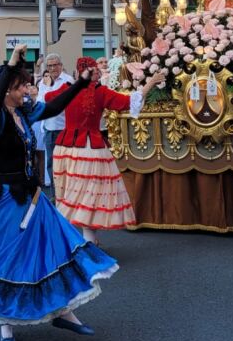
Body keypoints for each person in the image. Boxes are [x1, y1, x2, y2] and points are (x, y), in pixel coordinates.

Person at [0, 45, 117, 341]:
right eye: (20, 86)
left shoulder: (24, 112)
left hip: (31, 197)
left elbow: (55, 107)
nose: (27, 90)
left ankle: (63, 311)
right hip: (2, 200)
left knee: (54, 248)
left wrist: (82, 82)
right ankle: (5, 323)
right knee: (5, 260)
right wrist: (10, 65)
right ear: (6, 91)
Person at [48, 58, 163, 244]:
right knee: (90, 193)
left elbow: (48, 98)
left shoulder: (68, 88)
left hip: (65, 147)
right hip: (89, 148)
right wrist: (150, 83)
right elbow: (128, 102)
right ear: (93, 72)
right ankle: (89, 238)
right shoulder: (100, 92)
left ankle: (74, 238)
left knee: (72, 191)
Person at [36, 54, 74, 202]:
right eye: (50, 66)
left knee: (67, 163)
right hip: (49, 127)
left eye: (55, 65)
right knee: (51, 163)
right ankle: (55, 195)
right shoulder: (43, 83)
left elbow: (60, 101)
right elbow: (40, 102)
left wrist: (48, 89)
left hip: (65, 127)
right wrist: (46, 86)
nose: (53, 68)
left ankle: (69, 195)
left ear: (61, 65)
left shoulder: (68, 80)